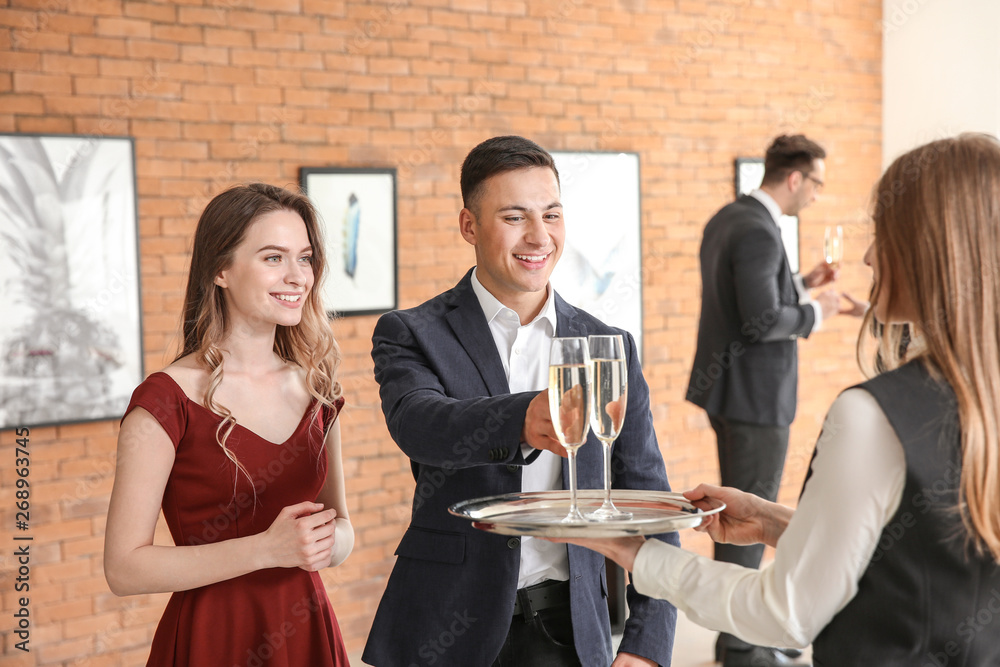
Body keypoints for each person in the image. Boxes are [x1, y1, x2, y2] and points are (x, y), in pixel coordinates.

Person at [556, 134, 1000, 666]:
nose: (866, 255)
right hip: (753, 400)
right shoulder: (978, 393)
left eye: (882, 234)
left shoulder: (872, 416)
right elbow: (926, 555)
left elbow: (786, 610)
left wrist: (635, 554)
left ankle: (741, 651)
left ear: (934, 250)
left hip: (739, 396)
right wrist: (774, 522)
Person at [362, 136, 678, 667]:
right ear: (469, 226)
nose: (539, 236)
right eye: (514, 217)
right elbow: (420, 423)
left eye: (551, 214)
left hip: (571, 627)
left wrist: (647, 644)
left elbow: (649, 501)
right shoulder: (412, 332)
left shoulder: (610, 345)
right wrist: (523, 416)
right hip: (446, 623)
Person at [104, 183, 353, 666]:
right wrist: (265, 550)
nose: (297, 276)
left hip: (307, 632)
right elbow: (124, 568)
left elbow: (340, 528)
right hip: (213, 639)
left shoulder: (318, 390)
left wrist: (327, 543)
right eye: (273, 258)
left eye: (304, 258)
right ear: (220, 269)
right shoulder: (165, 400)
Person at [685, 134, 851, 666]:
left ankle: (735, 636)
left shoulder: (728, 218)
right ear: (796, 178)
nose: (817, 197)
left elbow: (748, 300)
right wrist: (819, 311)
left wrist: (801, 283)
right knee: (745, 522)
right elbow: (761, 321)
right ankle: (741, 645)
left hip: (729, 392)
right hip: (754, 399)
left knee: (739, 517)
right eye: (817, 184)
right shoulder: (758, 229)